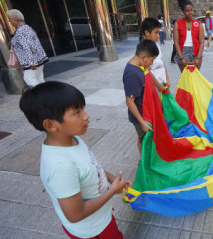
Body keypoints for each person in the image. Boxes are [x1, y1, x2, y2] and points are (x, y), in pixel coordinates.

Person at [19, 81, 132, 239]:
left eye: (83, 109)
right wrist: (112, 191)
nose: (86, 116)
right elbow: (75, 214)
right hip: (92, 231)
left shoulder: (73, 140)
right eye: (77, 112)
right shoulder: (60, 166)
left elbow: (92, 167)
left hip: (101, 218)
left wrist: (113, 180)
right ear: (51, 125)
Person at [123, 39, 164, 154]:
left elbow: (148, 73)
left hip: (146, 112)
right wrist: (142, 123)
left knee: (148, 139)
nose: (151, 63)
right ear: (144, 56)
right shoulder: (133, 74)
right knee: (144, 140)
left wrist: (160, 87)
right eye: (151, 60)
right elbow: (129, 101)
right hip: (140, 116)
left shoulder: (141, 65)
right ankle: (144, 164)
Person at [6, 9, 49, 87]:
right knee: (39, 79)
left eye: (10, 19)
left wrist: (32, 63)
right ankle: (45, 95)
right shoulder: (26, 28)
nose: (9, 21)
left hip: (32, 61)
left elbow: (27, 47)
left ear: (15, 19)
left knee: (29, 79)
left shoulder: (22, 30)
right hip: (37, 59)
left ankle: (42, 95)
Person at [173, 0, 205, 72]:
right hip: (182, 52)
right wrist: (181, 58)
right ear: (183, 12)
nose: (190, 12)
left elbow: (202, 42)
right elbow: (176, 43)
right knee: (185, 76)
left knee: (195, 76)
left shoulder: (198, 24)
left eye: (191, 10)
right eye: (187, 11)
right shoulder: (177, 24)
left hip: (196, 52)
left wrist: (198, 57)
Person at [141, 17, 171, 88]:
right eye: (156, 33)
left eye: (158, 32)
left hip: (162, 83)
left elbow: (161, 62)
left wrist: (167, 79)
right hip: (154, 86)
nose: (158, 35)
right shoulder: (144, 49)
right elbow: (147, 70)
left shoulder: (156, 45)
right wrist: (158, 86)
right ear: (147, 33)